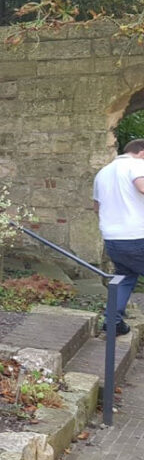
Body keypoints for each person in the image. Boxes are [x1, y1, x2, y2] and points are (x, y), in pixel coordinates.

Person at [92, 138, 144, 336]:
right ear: (142, 152)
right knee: (124, 277)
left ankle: (112, 321)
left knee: (124, 277)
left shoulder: (103, 172)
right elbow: (142, 186)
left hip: (113, 238)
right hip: (137, 235)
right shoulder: (137, 164)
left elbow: (97, 207)